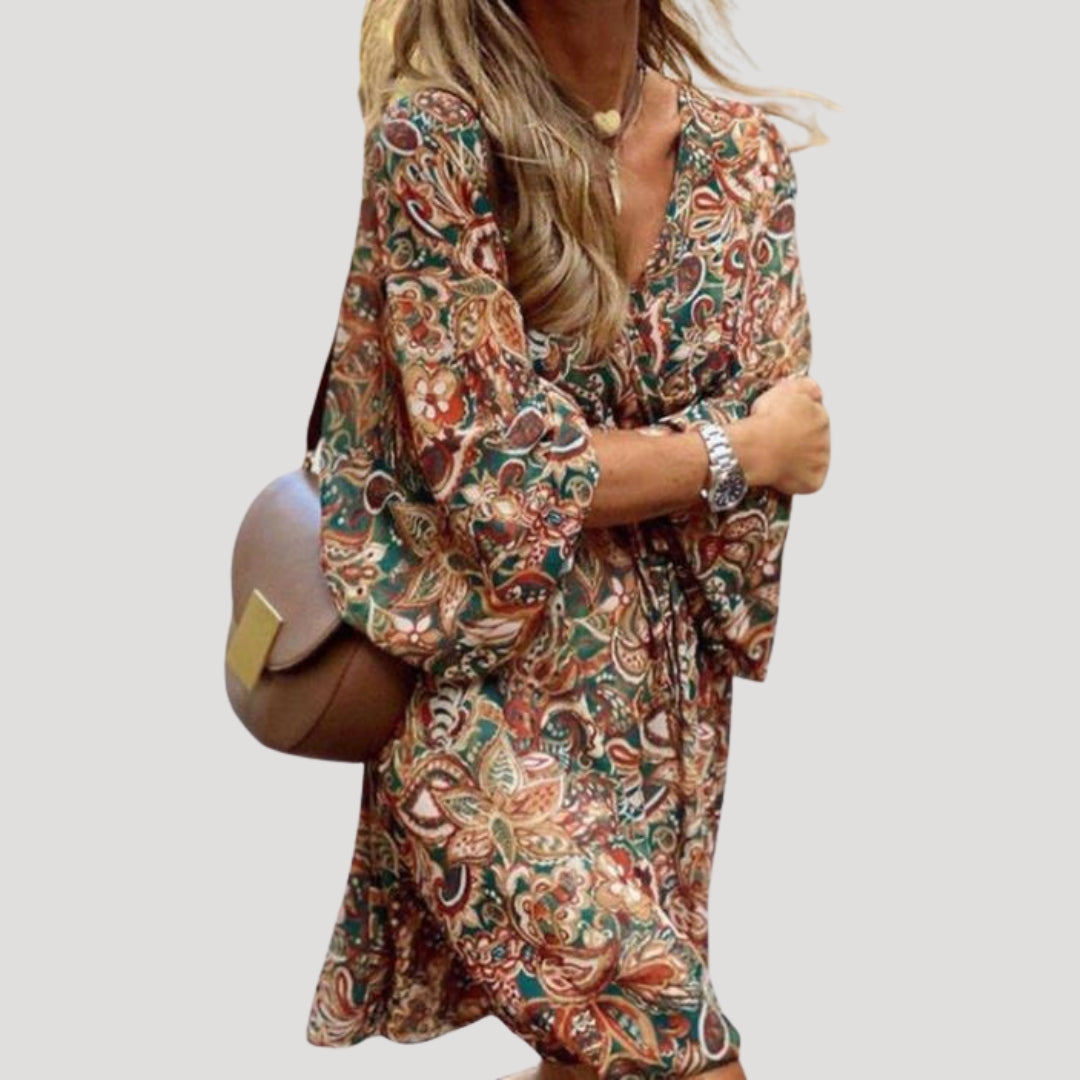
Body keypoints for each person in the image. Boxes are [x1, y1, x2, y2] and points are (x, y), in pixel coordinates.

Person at [305, 1, 831, 1077]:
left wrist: (692, 458)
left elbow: (792, 431)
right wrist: (731, 449)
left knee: (596, 1061)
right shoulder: (435, 142)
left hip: (665, 704)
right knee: (678, 1050)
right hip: (476, 701)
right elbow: (495, 467)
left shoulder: (741, 158)